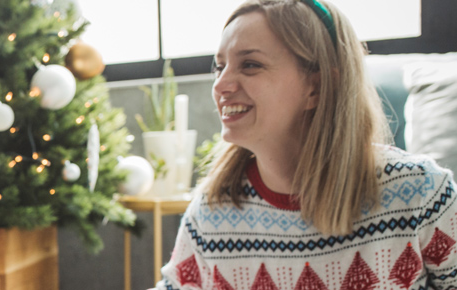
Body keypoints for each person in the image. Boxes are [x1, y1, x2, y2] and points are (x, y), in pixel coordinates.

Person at [156, 0, 457, 289]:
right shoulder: (211, 210)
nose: (220, 85)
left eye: (249, 65)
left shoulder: (422, 194)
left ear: (316, 86)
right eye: (219, 67)